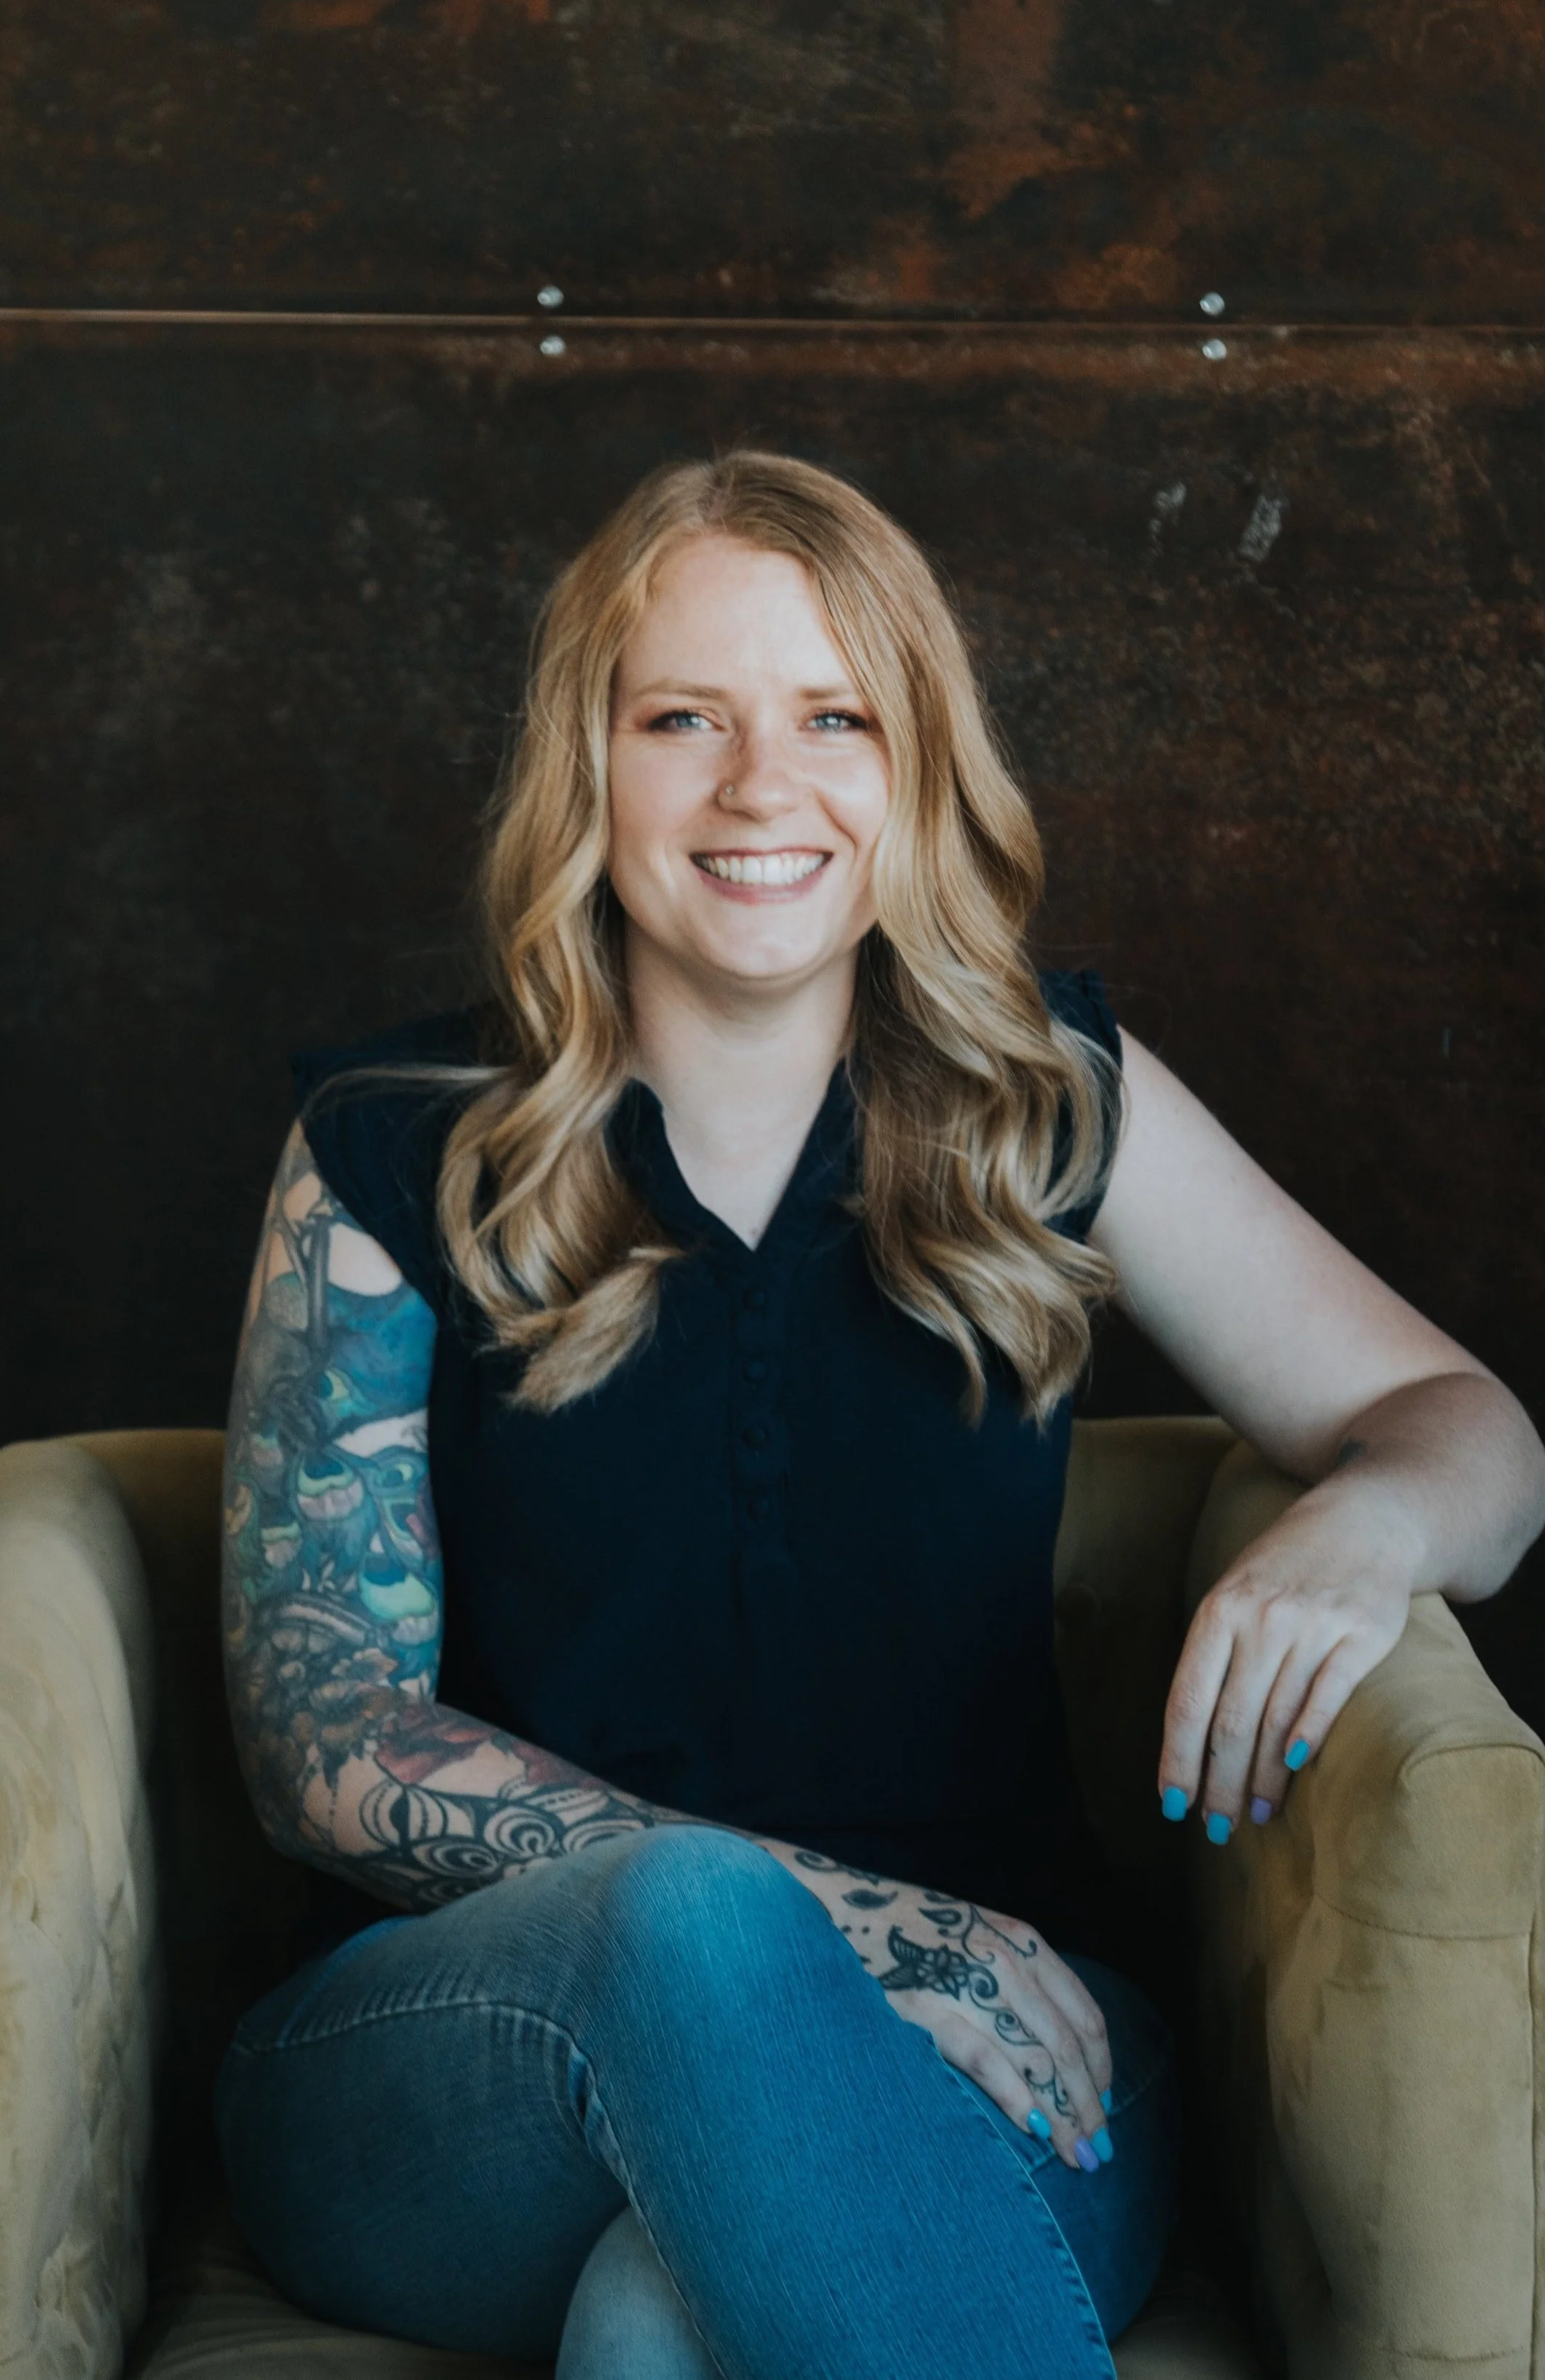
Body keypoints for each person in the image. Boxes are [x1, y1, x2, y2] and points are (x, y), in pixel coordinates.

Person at [215, 451, 1545, 2380]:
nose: (767, 787)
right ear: (590, 766)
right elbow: (319, 1738)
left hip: (1022, 2040)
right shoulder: (392, 1146)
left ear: (915, 765)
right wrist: (837, 1924)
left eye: (835, 717)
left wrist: (1370, 1523)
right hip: (457, 2074)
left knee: (659, 2329)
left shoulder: (1045, 1099)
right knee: (689, 1921)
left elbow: (1472, 1431)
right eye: (688, 719)